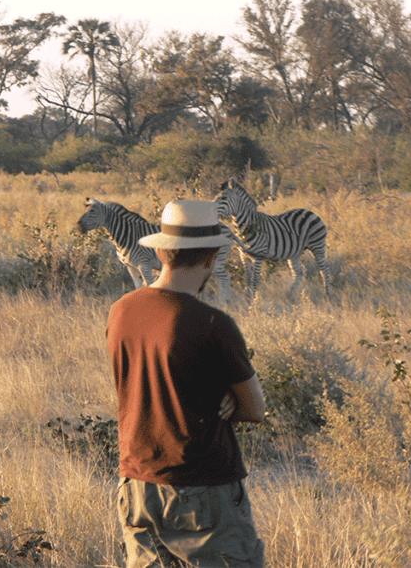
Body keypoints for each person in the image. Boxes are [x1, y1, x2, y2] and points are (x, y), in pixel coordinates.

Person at [106, 199, 267, 568]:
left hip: (137, 485)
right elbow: (255, 409)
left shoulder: (122, 310)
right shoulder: (213, 324)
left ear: (162, 251)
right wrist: (228, 397)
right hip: (203, 487)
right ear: (211, 257)